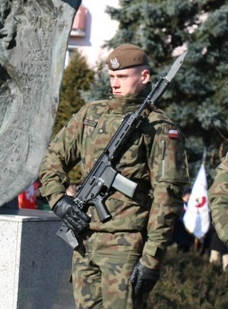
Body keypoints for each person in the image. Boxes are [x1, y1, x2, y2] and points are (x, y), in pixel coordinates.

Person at [39, 44, 189, 309]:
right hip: (84, 242)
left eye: (122, 77)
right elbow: (53, 158)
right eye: (111, 77)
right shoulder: (90, 114)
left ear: (144, 78)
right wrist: (59, 199)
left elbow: (167, 198)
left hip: (125, 246)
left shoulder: (159, 128)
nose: (115, 84)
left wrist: (151, 259)